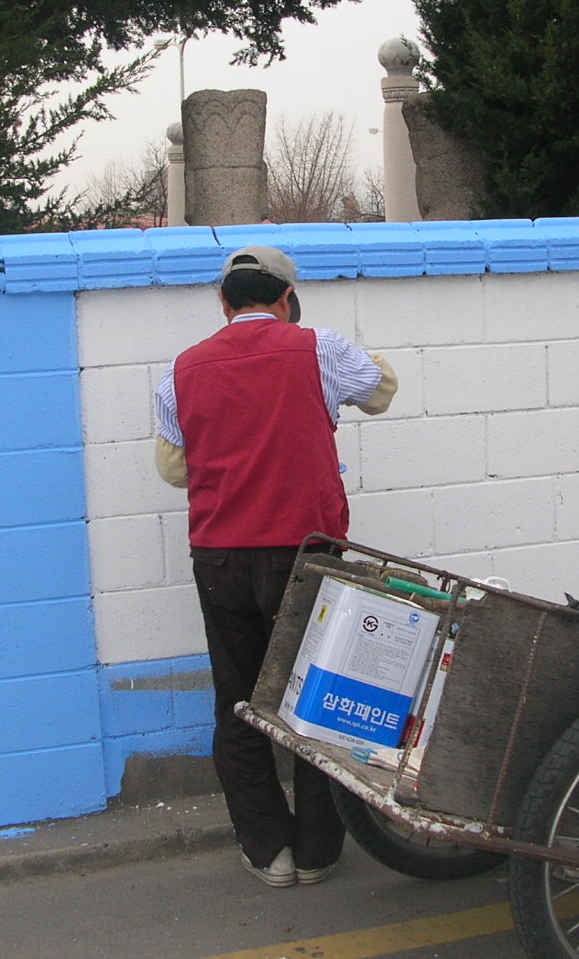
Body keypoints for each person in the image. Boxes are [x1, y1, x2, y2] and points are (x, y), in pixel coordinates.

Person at [154, 245, 398, 887]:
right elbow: (382, 393)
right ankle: (318, 850)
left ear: (223, 302)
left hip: (222, 556)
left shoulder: (181, 370)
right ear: (286, 298)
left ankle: (269, 851)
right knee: (315, 697)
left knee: (239, 700)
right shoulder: (321, 348)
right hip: (306, 553)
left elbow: (174, 469)